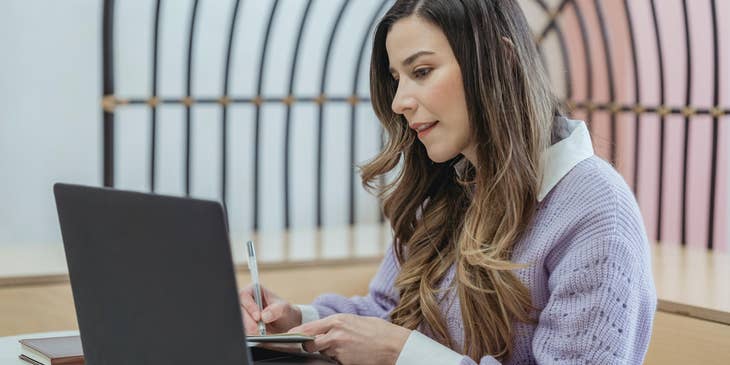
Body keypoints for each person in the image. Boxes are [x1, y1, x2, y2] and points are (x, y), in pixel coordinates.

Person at [240, 0, 657, 364]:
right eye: (397, 78)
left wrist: (400, 355)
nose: (399, 101)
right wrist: (299, 322)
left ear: (501, 60)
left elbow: (397, 344)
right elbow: (391, 312)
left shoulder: (597, 211)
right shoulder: (447, 187)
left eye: (421, 71)